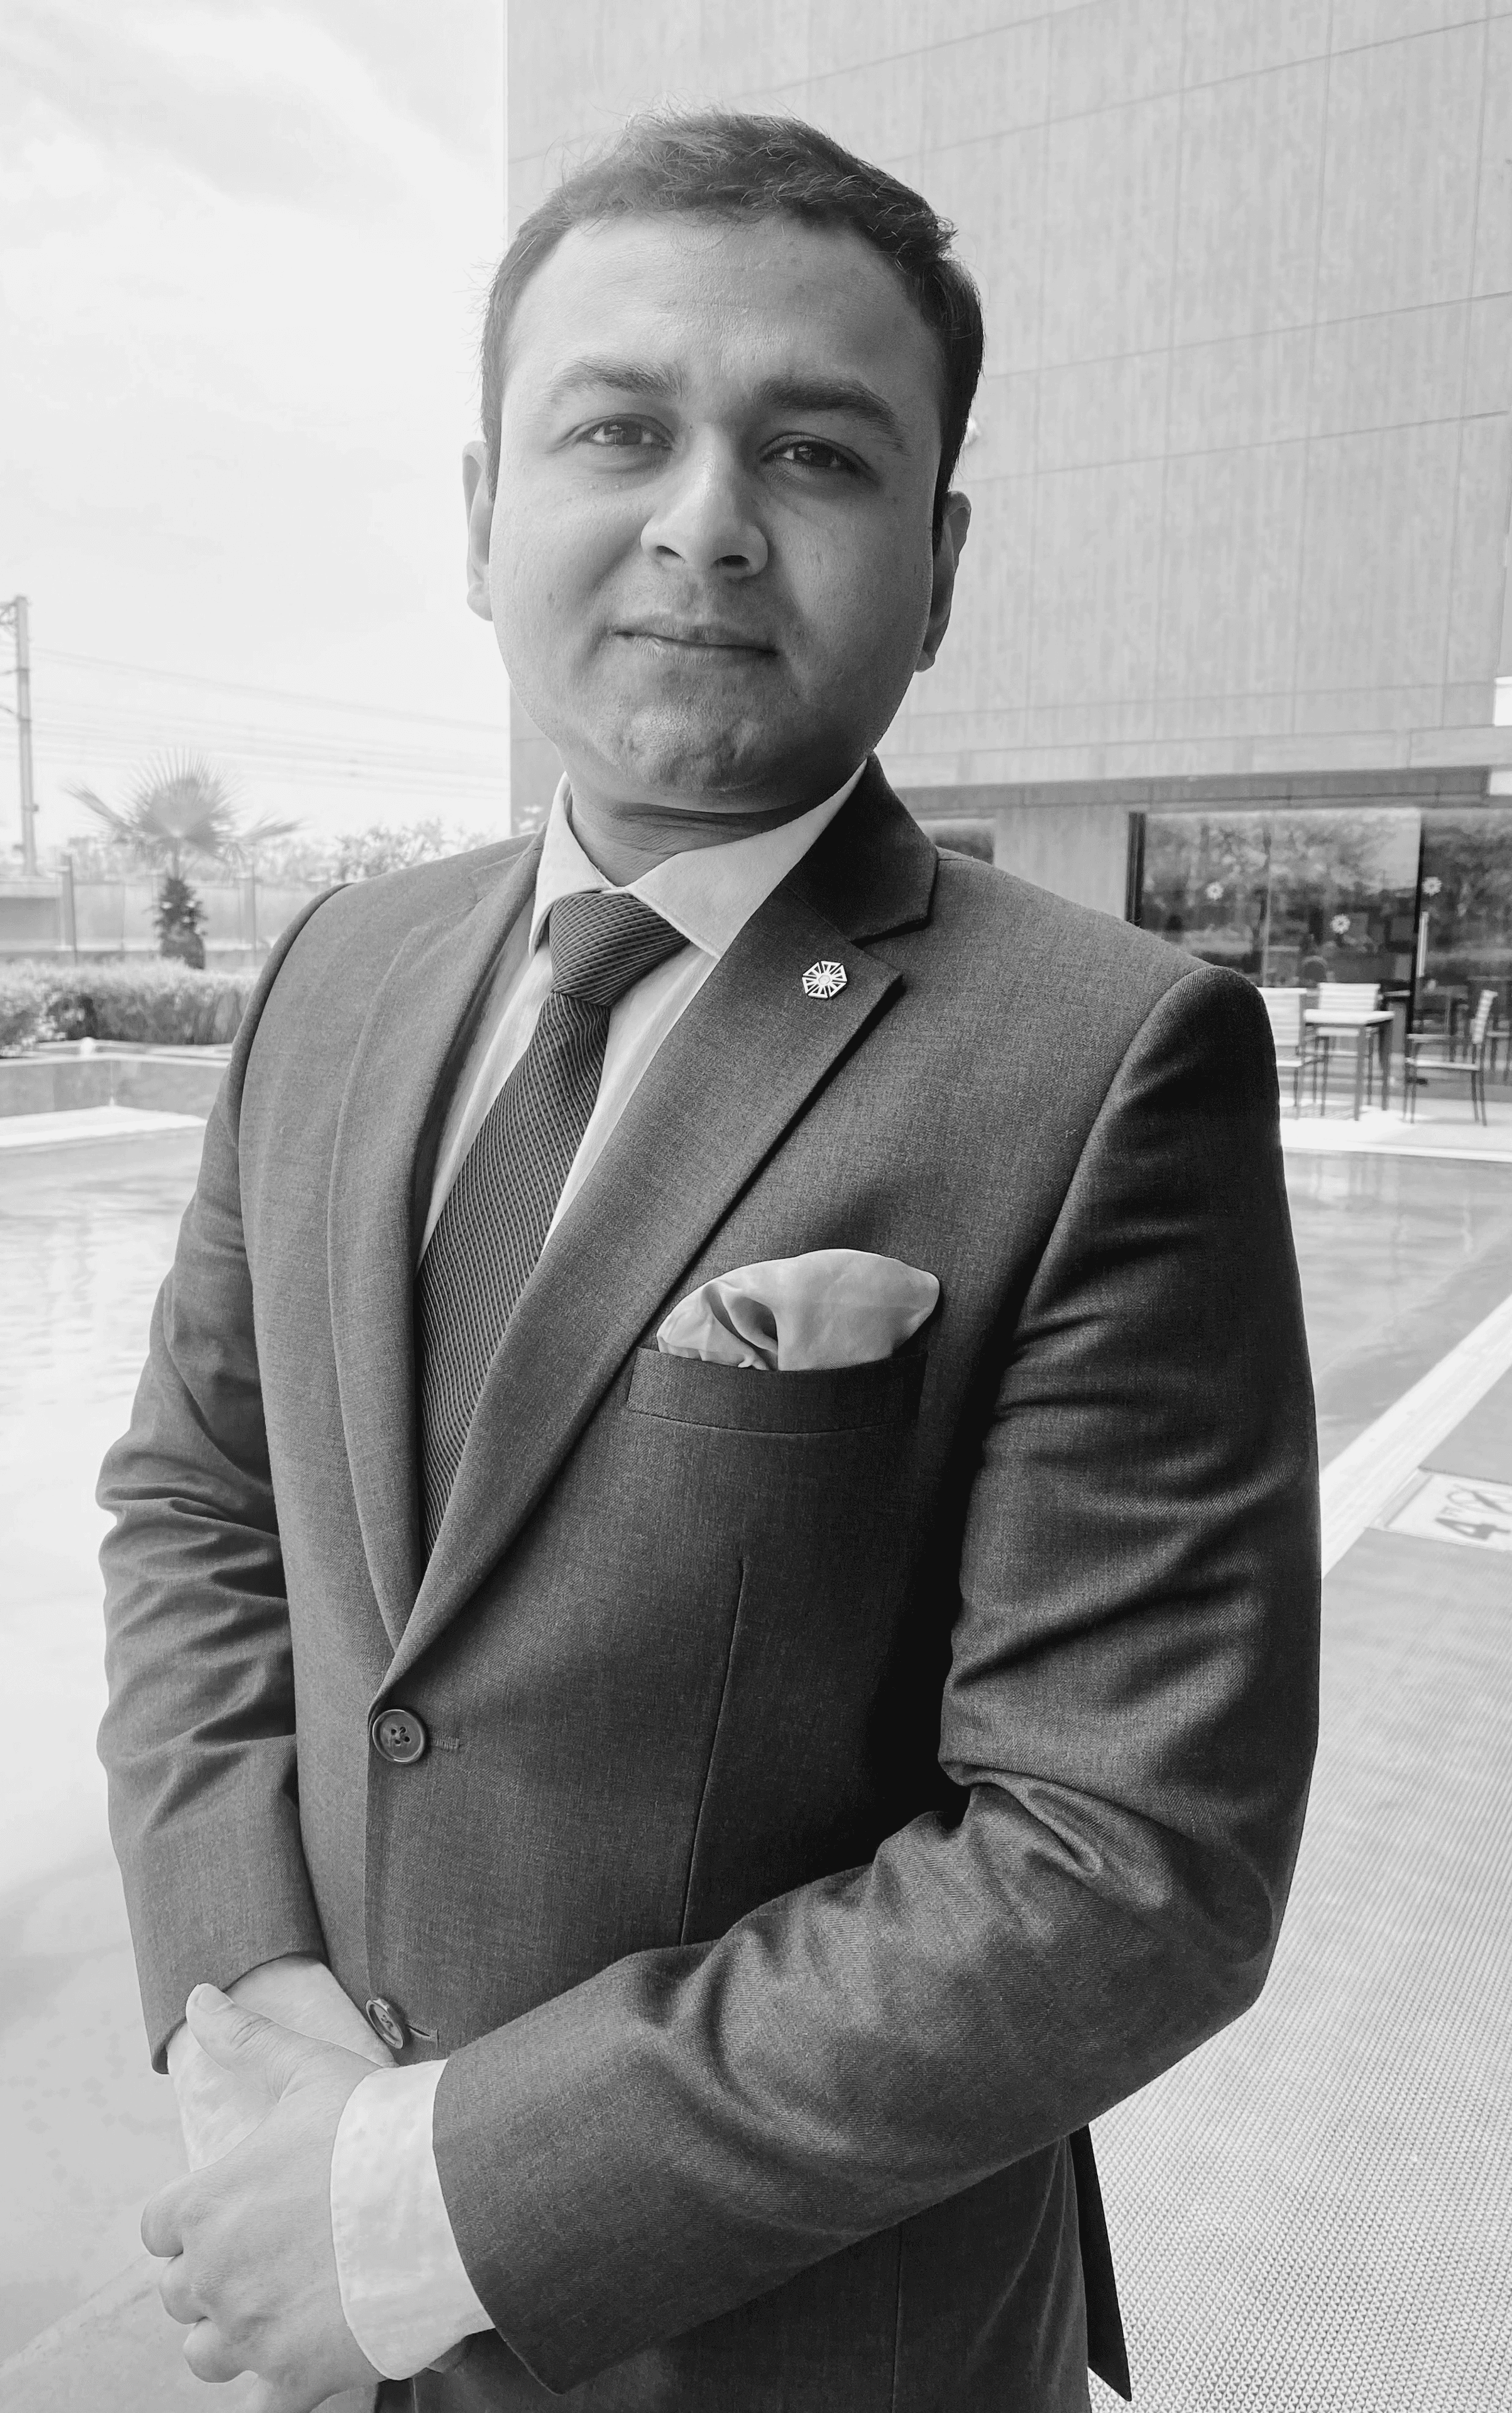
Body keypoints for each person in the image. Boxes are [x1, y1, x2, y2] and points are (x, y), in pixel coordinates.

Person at [99, 110, 1322, 2413]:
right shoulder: (333, 975)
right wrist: (238, 1975)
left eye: (819, 454)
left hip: (805, 2348)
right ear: (484, 513)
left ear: (938, 563)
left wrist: (428, 2197)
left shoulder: (1106, 1057)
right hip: (313, 2263)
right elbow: (193, 1506)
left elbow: (1127, 1854)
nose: (703, 520)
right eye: (618, 429)